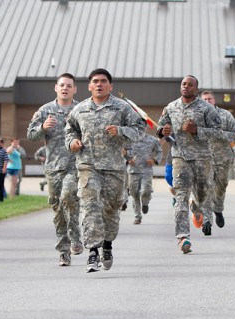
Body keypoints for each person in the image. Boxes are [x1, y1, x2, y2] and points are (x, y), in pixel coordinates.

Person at [65, 68, 146, 272]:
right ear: (89, 86)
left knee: (111, 210)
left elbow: (140, 130)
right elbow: (70, 130)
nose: (99, 84)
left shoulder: (122, 108)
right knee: (90, 205)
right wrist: (72, 142)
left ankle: (107, 245)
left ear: (110, 86)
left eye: (103, 81)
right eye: (95, 81)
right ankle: (93, 251)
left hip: (114, 168)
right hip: (87, 165)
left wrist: (120, 130)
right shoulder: (80, 109)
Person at [156, 75, 221, 254]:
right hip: (180, 158)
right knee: (181, 196)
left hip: (202, 158)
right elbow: (161, 131)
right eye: (184, 84)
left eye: (190, 85)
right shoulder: (171, 107)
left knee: (202, 195)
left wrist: (197, 130)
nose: (186, 87)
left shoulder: (207, 109)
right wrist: (163, 131)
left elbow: (217, 133)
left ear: (196, 89)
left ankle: (197, 208)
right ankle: (183, 237)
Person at [28, 73, 83, 266]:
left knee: (69, 197)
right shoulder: (45, 110)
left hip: (75, 164)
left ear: (75, 89)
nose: (65, 88)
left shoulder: (81, 109)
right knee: (58, 209)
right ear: (56, 88)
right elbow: (31, 136)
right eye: (62, 85)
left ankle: (76, 236)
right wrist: (43, 127)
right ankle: (63, 251)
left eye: (69, 85)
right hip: (53, 167)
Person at [199, 91, 235, 231]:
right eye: (204, 99)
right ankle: (207, 222)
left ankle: (218, 209)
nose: (207, 101)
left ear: (214, 100)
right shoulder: (196, 116)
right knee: (206, 188)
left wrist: (219, 134)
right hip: (204, 158)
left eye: (209, 99)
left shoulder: (225, 115)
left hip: (223, 157)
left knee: (221, 186)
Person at [126, 131, 163, 224]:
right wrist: (127, 160)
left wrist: (154, 160)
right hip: (133, 171)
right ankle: (137, 216)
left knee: (145, 191)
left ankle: (145, 203)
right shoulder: (129, 139)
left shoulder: (152, 140)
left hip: (146, 170)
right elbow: (122, 151)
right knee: (134, 194)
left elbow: (159, 151)